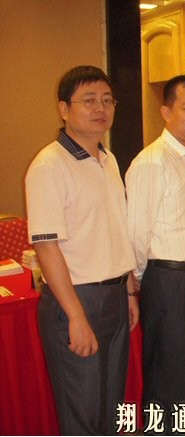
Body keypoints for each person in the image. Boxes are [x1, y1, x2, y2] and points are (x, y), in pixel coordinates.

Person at [25, 65, 138, 435]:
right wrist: (75, 316)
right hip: (76, 300)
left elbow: (114, 231)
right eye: (88, 100)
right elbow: (47, 247)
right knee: (83, 413)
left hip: (114, 297)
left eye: (107, 100)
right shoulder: (49, 165)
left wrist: (128, 291)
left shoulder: (108, 159)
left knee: (111, 407)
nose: (100, 108)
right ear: (64, 108)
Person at [125, 75, 185, 432]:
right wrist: (142, 282)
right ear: (166, 112)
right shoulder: (152, 162)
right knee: (170, 378)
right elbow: (136, 234)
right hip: (170, 282)